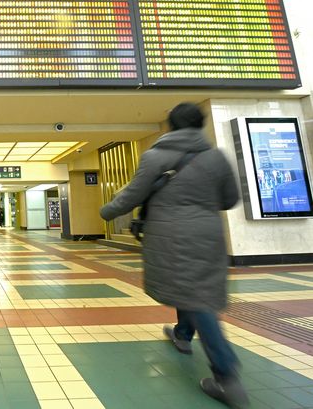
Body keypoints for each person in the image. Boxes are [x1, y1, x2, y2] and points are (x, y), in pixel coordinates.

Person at [99, 103, 247, 408]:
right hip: (207, 234)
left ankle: (227, 375)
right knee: (192, 287)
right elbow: (230, 199)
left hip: (170, 235)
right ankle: (182, 334)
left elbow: (133, 194)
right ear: (200, 124)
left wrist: (107, 211)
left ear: (170, 126)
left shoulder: (155, 156)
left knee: (195, 297)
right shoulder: (216, 156)